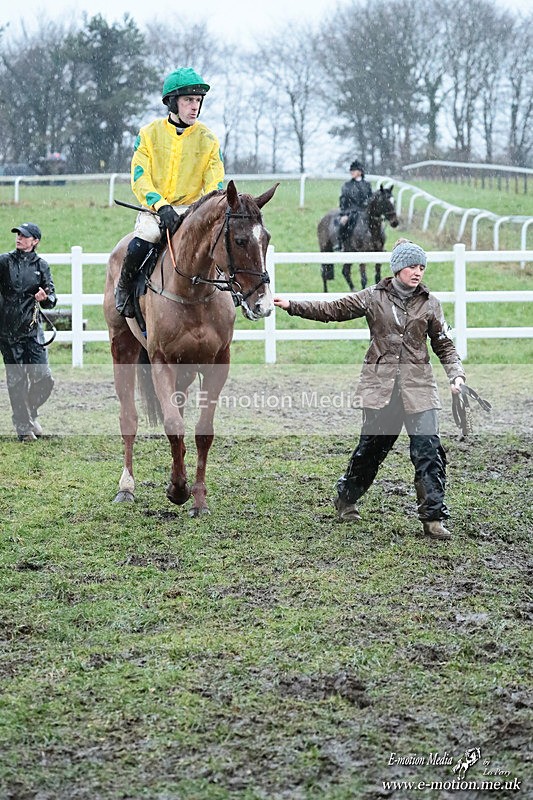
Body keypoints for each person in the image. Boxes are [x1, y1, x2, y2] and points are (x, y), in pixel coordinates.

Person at [274, 238, 466, 540]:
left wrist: (456, 376)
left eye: (422, 267)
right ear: (398, 268)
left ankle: (433, 518)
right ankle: (346, 498)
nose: (418, 272)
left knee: (428, 451)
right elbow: (334, 309)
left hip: (420, 389)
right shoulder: (373, 297)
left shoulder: (431, 303)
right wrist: (293, 306)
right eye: (413, 266)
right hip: (381, 389)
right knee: (370, 452)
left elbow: (444, 344)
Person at [115, 66, 225, 317]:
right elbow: (140, 177)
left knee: (223, 244)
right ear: (172, 103)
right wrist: (162, 206)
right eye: (188, 100)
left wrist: (204, 209)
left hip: (195, 211)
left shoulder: (209, 138)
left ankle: (234, 294)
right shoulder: (148, 134)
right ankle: (125, 287)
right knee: (143, 240)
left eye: (198, 101)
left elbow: (215, 181)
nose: (194, 106)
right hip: (156, 211)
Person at [0, 223, 56, 441]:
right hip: (7, 331)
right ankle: (23, 426)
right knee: (16, 380)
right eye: (18, 235)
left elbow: (51, 297)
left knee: (44, 379)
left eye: (25, 236)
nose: (19, 238)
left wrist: (45, 298)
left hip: (33, 331)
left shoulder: (41, 266)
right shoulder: (4, 262)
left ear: (35, 242)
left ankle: (29, 413)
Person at [335, 159, 373, 251]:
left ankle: (377, 245)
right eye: (351, 170)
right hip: (350, 211)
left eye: (354, 170)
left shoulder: (367, 185)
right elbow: (343, 200)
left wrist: (366, 205)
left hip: (364, 211)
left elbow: (370, 198)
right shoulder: (347, 185)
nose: (351, 172)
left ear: (360, 172)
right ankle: (341, 244)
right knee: (342, 223)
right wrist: (344, 214)